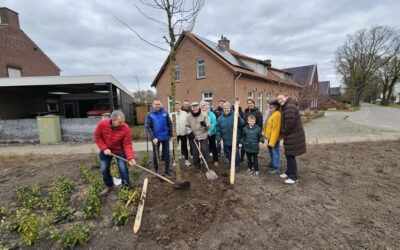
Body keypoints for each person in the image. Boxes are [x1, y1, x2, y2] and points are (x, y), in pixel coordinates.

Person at [94, 110, 136, 195]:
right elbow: (98, 137)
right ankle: (109, 186)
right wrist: (104, 148)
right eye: (120, 122)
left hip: (119, 150)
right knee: (104, 169)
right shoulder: (102, 124)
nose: (122, 124)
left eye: (123, 122)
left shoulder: (125, 128)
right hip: (106, 150)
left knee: (123, 169)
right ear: (113, 120)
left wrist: (130, 158)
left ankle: (126, 187)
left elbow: (127, 144)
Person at [277, 94, 306, 184]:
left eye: (281, 99)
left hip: (293, 136)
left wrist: (283, 131)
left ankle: (293, 177)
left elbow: (289, 124)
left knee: (291, 156)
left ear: (286, 97)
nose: (279, 101)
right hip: (291, 136)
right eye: (278, 100)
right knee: (288, 154)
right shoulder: (288, 105)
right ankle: (288, 172)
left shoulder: (289, 107)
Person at [145, 99, 173, 176]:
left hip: (165, 137)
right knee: (155, 154)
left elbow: (169, 124)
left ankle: (167, 170)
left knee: (167, 154)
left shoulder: (165, 113)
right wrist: (153, 137)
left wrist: (171, 135)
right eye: (156, 104)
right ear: (153, 105)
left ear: (161, 104)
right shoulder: (149, 114)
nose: (157, 105)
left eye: (158, 104)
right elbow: (147, 127)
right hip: (155, 139)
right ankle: (156, 171)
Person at [217, 102, 245, 173]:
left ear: (230, 108)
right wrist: (218, 138)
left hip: (235, 139)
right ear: (223, 109)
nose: (226, 109)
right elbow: (218, 130)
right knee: (227, 153)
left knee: (235, 153)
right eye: (225, 108)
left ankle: (237, 166)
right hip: (226, 139)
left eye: (228, 108)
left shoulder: (235, 115)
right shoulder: (220, 118)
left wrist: (238, 117)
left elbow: (242, 124)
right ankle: (229, 163)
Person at [186, 102, 210, 171]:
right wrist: (189, 132)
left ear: (198, 107)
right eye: (193, 107)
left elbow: (208, 126)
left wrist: (206, 126)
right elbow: (187, 126)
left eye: (196, 106)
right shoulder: (188, 116)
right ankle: (196, 165)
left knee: (204, 150)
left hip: (203, 135)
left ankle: (206, 165)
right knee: (195, 152)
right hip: (193, 136)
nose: (195, 108)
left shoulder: (204, 115)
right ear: (191, 108)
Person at [263, 100, 282, 175]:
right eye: (269, 105)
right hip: (270, 138)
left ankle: (276, 167)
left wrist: (272, 141)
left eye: (272, 105)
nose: (270, 106)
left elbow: (276, 129)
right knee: (271, 151)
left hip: (274, 138)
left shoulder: (277, 114)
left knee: (275, 152)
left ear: (276, 106)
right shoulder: (272, 113)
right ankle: (272, 163)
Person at [170, 101, 191, 167]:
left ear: (180, 106)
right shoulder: (171, 114)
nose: (176, 107)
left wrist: (188, 130)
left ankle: (186, 160)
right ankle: (175, 161)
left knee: (185, 147)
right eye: (175, 106)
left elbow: (188, 122)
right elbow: (170, 125)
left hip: (183, 133)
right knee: (175, 148)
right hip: (175, 134)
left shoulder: (184, 113)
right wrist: (171, 134)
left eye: (177, 106)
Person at [200, 101, 218, 167]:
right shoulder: (200, 114)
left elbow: (214, 123)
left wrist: (209, 131)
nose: (203, 107)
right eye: (202, 106)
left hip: (211, 133)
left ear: (207, 107)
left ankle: (215, 160)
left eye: (204, 106)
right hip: (203, 133)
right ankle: (203, 159)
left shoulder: (211, 114)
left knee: (213, 146)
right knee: (203, 147)